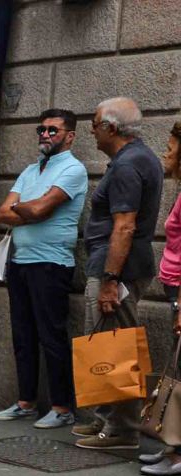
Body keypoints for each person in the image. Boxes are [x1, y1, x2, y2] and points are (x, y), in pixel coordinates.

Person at [73, 97, 164, 450]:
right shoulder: (132, 159)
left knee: (115, 346)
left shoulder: (129, 165)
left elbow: (124, 227)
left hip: (119, 270)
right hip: (117, 267)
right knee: (104, 344)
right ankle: (106, 420)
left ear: (111, 128)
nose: (92, 132)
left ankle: (121, 429)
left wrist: (110, 280)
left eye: (94, 124)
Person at [0, 108, 88, 429]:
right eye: (41, 130)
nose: (45, 135)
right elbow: (3, 212)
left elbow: (44, 208)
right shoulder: (30, 171)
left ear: (69, 136)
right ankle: (25, 402)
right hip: (20, 261)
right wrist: (26, 210)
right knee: (23, 335)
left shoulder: (73, 170)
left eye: (53, 130)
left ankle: (61, 408)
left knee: (51, 337)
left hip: (51, 264)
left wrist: (28, 208)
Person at [139, 121, 181, 475]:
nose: (165, 153)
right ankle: (172, 447)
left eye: (170, 147)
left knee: (180, 372)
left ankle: (176, 452)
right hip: (174, 288)